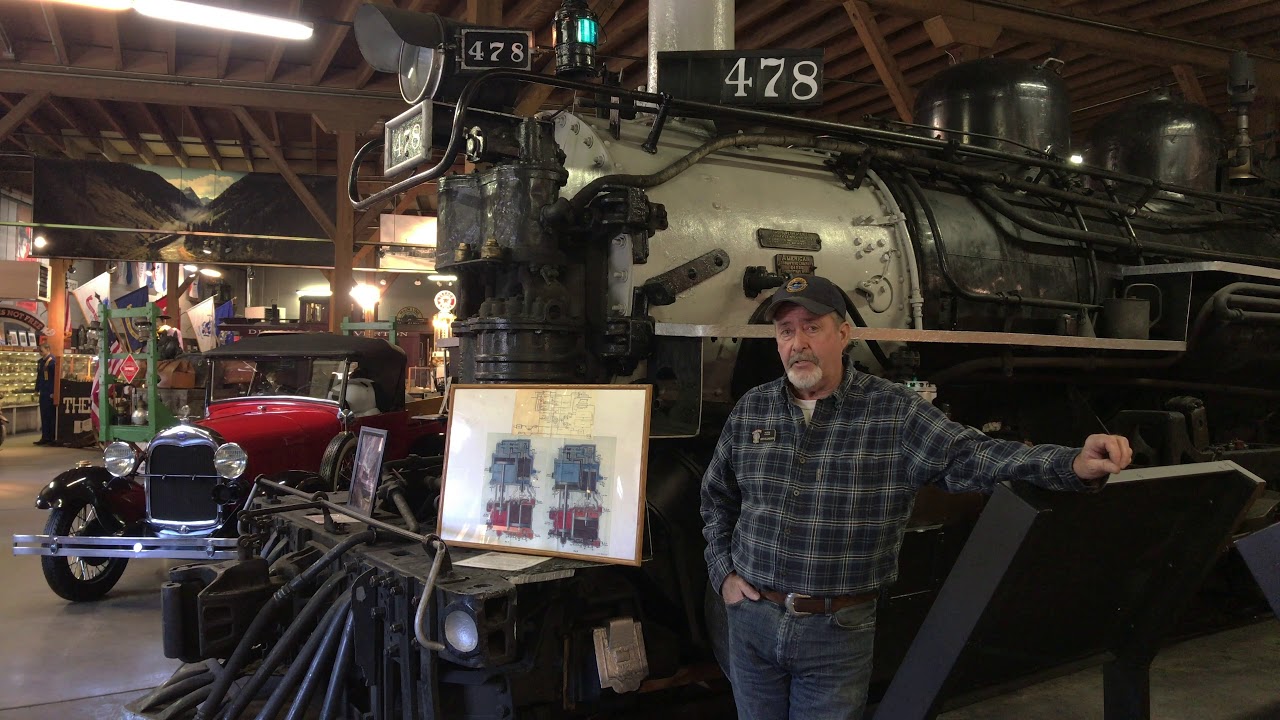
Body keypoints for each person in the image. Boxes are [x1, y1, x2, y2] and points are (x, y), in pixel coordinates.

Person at [700, 274, 1133, 720]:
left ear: (844, 334)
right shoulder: (754, 407)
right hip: (752, 621)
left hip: (834, 632)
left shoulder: (894, 412)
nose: (798, 342)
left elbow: (975, 455)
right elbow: (717, 497)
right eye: (786, 331)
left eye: (812, 326)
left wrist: (1070, 464)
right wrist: (723, 574)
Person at [34, 342, 58, 446]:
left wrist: (54, 392)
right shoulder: (41, 362)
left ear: (48, 349)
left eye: (41, 350)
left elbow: (55, 379)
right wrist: (36, 389)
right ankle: (45, 436)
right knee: (43, 415)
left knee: (50, 416)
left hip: (49, 393)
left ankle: (51, 437)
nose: (40, 352)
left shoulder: (52, 362)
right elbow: (39, 377)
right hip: (43, 392)